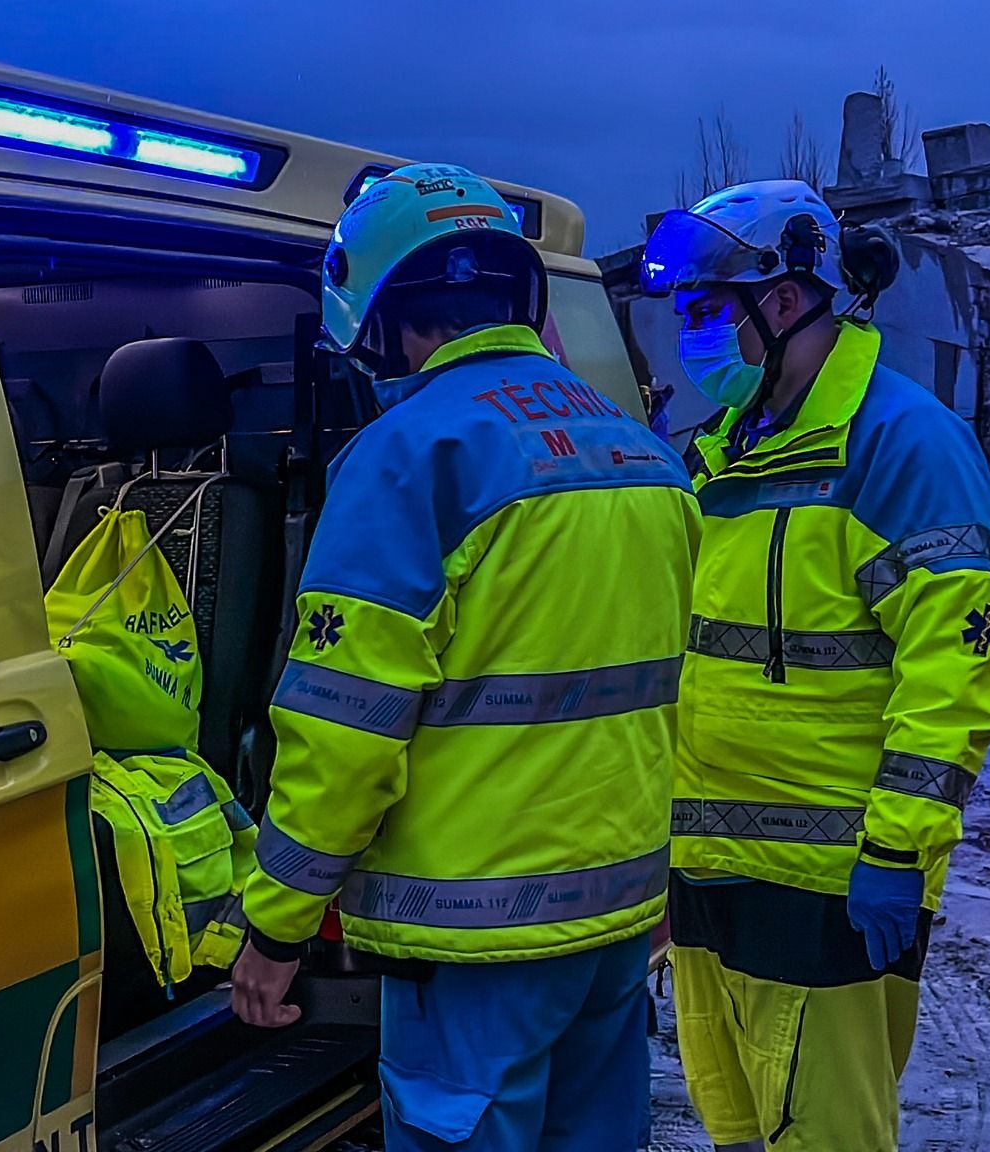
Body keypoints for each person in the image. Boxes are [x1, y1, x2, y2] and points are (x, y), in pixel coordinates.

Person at [229, 163, 700, 1150]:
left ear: (393, 317)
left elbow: (342, 734)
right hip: (614, 916)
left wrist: (275, 927)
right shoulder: (639, 451)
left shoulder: (408, 455)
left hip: (474, 931)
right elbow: (664, 694)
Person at [644, 180, 990, 1152]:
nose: (689, 338)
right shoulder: (718, 455)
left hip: (829, 889)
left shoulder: (900, 445)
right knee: (736, 1131)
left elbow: (957, 669)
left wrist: (897, 851)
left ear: (781, 299)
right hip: (703, 878)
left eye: (702, 310)